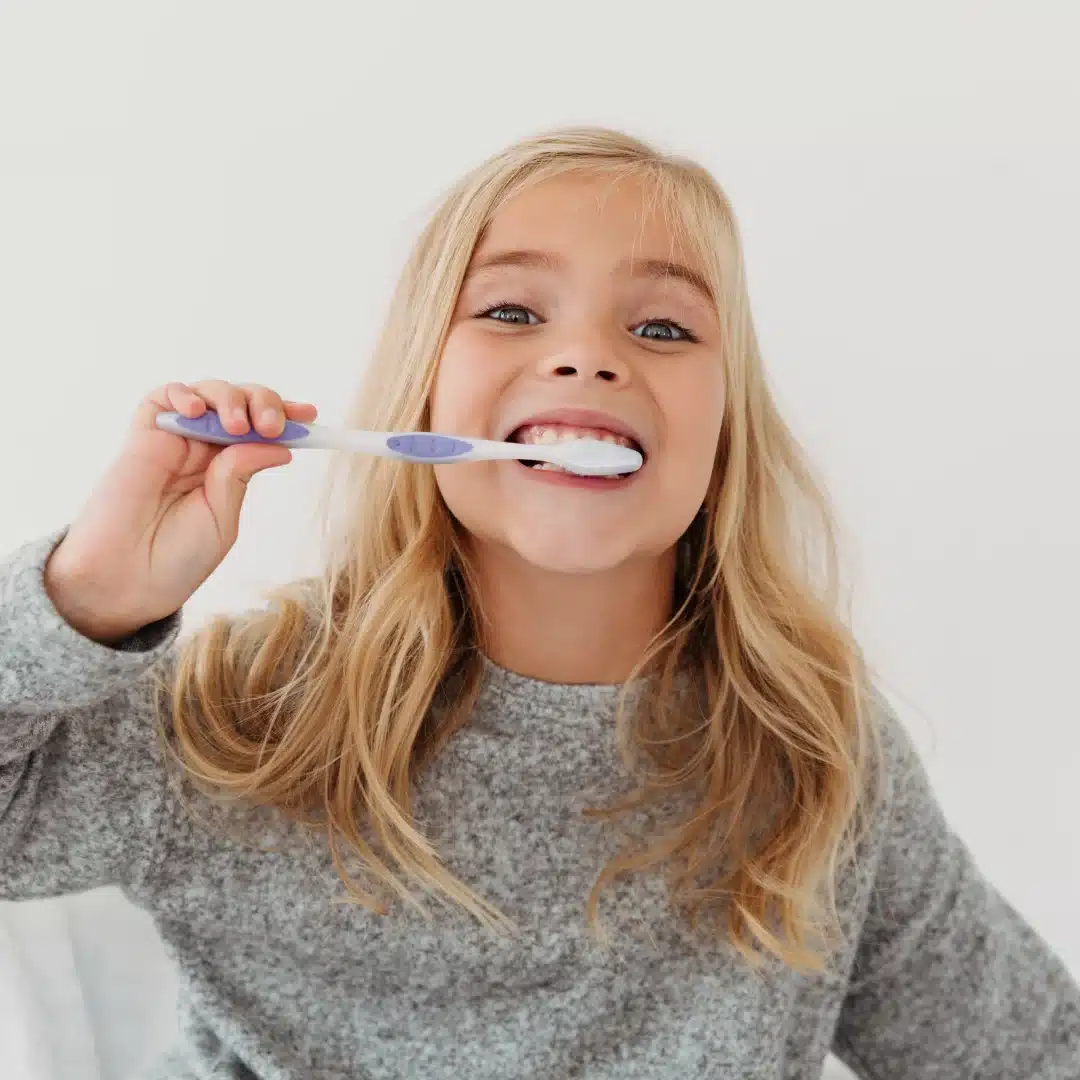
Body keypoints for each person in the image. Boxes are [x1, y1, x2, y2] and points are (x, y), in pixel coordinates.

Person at [2, 127, 1077, 1080]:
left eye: (662, 330)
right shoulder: (244, 717)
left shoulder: (815, 761)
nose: (587, 355)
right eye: (512, 310)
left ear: (724, 436)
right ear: (421, 391)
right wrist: (85, 598)